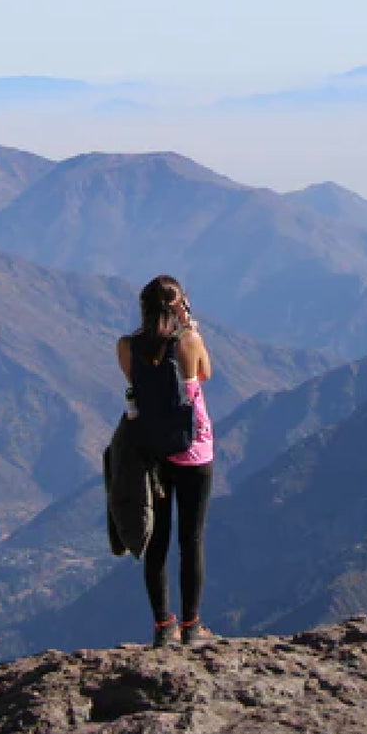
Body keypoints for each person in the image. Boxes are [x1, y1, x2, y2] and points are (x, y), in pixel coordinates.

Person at [117, 275, 215, 647]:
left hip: (152, 452)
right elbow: (205, 373)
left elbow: (137, 384)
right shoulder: (188, 341)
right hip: (194, 450)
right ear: (179, 306)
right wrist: (190, 327)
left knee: (157, 538)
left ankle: (163, 627)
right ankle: (192, 626)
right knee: (191, 539)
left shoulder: (126, 346)